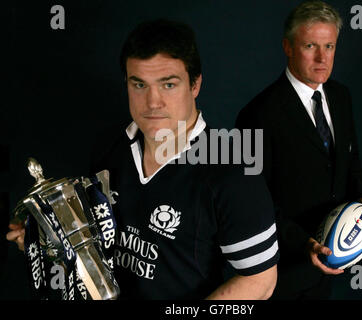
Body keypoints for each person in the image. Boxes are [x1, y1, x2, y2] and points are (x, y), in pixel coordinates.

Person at [7, 19, 279, 300]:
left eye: (168, 84)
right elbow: (95, 243)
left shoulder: (233, 170)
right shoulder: (109, 148)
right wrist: (47, 240)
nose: (152, 102)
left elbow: (261, 280)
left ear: (195, 84)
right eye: (139, 85)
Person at [235, 1, 362, 299]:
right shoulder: (257, 115)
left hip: (332, 258)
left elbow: (351, 161)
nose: (322, 58)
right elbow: (252, 203)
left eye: (329, 46)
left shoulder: (341, 96)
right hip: (283, 268)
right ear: (288, 47)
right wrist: (304, 243)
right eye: (310, 45)